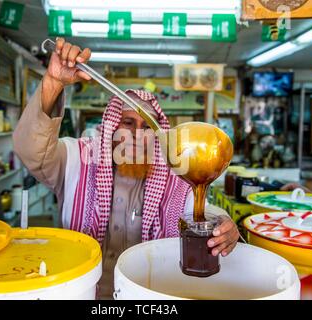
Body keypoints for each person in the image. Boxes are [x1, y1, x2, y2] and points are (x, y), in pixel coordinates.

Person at [13, 38, 239, 299]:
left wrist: (224, 224)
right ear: (111, 128)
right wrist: (53, 82)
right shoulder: (77, 158)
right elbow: (30, 149)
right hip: (82, 292)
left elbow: (198, 213)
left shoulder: (176, 176)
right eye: (128, 124)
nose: (138, 135)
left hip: (147, 297)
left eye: (147, 127)